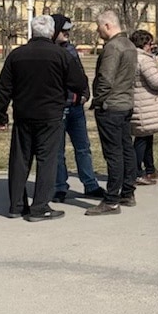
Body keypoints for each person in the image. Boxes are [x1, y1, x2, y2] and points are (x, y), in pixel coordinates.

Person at [0, 15, 87, 221]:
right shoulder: (61, 55)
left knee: (20, 159)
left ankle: (16, 205)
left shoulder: (16, 56)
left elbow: (3, 88)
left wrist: (0, 116)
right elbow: (78, 83)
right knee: (47, 159)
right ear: (51, 32)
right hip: (50, 115)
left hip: (23, 114)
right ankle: (40, 206)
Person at [86, 10, 138, 216]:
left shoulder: (112, 47)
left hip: (111, 106)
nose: (97, 31)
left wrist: (97, 100)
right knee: (127, 149)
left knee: (114, 154)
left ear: (107, 25)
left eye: (98, 27)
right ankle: (128, 191)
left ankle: (111, 200)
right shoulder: (130, 45)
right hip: (125, 103)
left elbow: (105, 79)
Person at [50, 14, 105, 203]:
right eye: (63, 30)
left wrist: (85, 94)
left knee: (83, 148)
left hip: (75, 108)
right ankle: (59, 187)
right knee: (57, 151)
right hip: (57, 109)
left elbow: (80, 75)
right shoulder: (48, 52)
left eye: (68, 30)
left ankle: (90, 184)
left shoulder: (71, 50)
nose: (67, 33)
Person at [130, 30, 158, 186]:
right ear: (145, 45)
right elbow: (156, 81)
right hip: (144, 104)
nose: (152, 47)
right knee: (142, 139)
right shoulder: (143, 60)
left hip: (138, 101)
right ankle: (136, 172)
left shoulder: (130, 56)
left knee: (147, 136)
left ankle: (149, 168)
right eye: (150, 44)